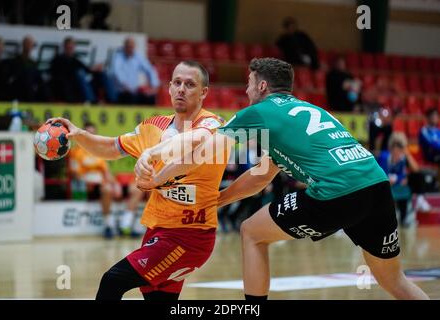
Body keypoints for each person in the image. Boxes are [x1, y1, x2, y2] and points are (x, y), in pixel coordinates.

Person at [136, 58, 429, 300]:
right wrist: (219, 200)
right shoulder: (310, 111)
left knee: (252, 232)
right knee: (394, 281)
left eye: (250, 84)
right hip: (376, 186)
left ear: (262, 86)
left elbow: (201, 154)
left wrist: (156, 178)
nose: (247, 91)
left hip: (337, 190)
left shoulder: (258, 112)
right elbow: (259, 176)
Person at [47, 60, 227, 300]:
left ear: (204, 92)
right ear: (169, 87)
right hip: (157, 231)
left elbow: (195, 139)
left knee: (113, 280)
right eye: (177, 82)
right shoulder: (152, 127)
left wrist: (152, 152)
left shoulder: (213, 125)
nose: (181, 89)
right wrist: (80, 135)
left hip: (189, 237)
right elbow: (111, 148)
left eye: (190, 84)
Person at [69, 122, 122, 239]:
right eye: (89, 133)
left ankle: (109, 225)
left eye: (93, 133)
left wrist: (116, 184)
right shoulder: (75, 152)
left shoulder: (99, 151)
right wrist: (86, 181)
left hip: (101, 185)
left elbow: (106, 172)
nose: (91, 136)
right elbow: (74, 173)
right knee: (106, 188)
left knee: (108, 188)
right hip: (85, 185)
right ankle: (110, 223)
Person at [377, 133, 419, 227]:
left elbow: (416, 169)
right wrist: (396, 179)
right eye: (394, 148)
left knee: (413, 181)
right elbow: (380, 173)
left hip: (398, 186)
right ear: (390, 148)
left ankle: (404, 218)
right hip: (385, 184)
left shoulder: (403, 158)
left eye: (400, 149)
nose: (397, 152)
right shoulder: (384, 156)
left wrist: (407, 154)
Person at [108, 37, 160, 105]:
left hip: (133, 92)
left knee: (150, 98)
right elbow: (117, 72)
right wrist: (124, 84)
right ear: (124, 47)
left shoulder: (137, 57)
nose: (130, 49)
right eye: (128, 47)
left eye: (132, 47)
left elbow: (149, 70)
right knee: (129, 97)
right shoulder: (118, 56)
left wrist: (154, 85)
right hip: (121, 92)